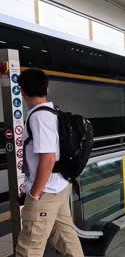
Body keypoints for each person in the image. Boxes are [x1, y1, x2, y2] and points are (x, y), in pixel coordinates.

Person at [16, 69, 84, 257]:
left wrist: (35, 194)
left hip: (47, 192)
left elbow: (48, 157)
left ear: (22, 91)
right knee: (67, 240)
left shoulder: (39, 116)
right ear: (46, 87)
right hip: (59, 186)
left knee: (28, 249)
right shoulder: (52, 110)